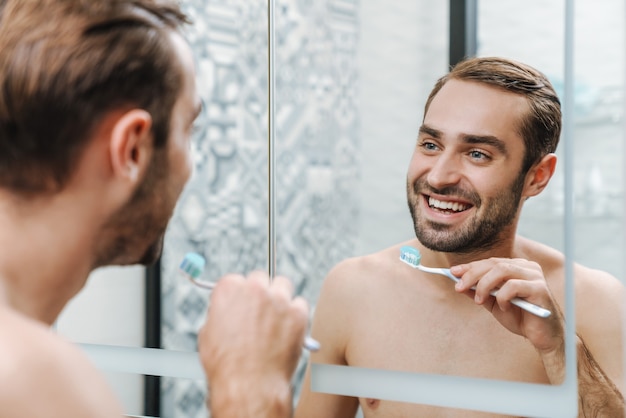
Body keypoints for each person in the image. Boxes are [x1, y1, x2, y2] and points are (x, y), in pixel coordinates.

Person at [0, 1, 308, 417]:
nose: (191, 164)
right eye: (189, 129)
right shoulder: (34, 378)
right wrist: (250, 389)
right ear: (132, 148)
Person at [295, 56, 625, 417]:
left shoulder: (594, 302)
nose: (438, 177)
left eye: (477, 154)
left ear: (537, 176)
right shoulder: (352, 289)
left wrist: (560, 350)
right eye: (431, 145)